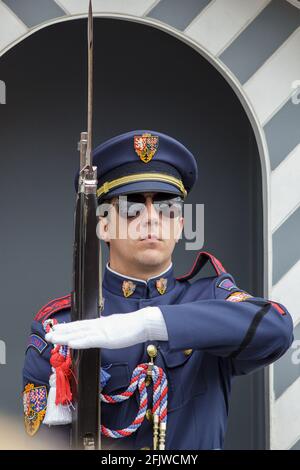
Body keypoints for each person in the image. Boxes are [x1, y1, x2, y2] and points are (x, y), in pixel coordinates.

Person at [22, 130, 294, 450]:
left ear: (179, 225)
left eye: (167, 206)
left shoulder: (211, 298)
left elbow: (277, 328)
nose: (151, 217)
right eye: (130, 206)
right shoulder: (61, 326)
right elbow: (41, 440)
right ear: (104, 224)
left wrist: (152, 323)